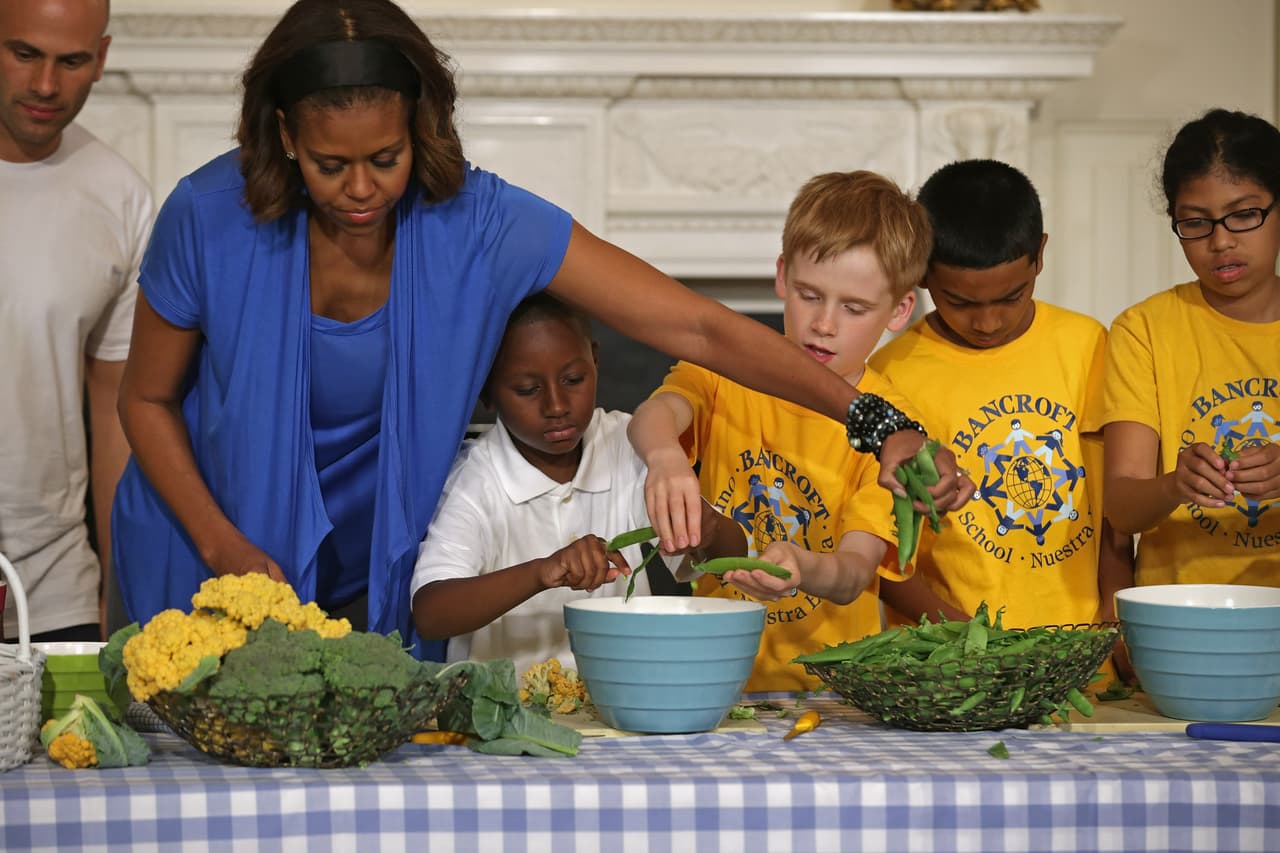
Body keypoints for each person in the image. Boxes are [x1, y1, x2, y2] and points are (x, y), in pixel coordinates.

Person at [110, 0, 967, 657]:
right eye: (331, 165)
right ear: (285, 134)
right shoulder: (209, 214)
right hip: (210, 539)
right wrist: (222, 541)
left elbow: (698, 328)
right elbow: (144, 396)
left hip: (382, 550)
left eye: (387, 157)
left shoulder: (480, 221)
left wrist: (879, 423)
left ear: (421, 127)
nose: (362, 188)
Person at [628, 171, 975, 691]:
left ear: (900, 310)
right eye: (809, 295)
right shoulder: (730, 368)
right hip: (711, 680)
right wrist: (665, 456)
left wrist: (802, 566)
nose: (825, 324)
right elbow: (655, 414)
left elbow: (856, 572)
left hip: (833, 697)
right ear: (781, 276)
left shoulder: (892, 431)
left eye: (854, 308)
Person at [867, 159, 1135, 641]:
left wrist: (1116, 615)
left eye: (1012, 297)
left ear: (1040, 255)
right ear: (921, 272)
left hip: (1084, 655)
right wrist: (972, 640)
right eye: (962, 303)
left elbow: (1112, 507)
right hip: (956, 663)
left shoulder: (1090, 346)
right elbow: (885, 550)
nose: (988, 322)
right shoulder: (889, 378)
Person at [409, 293, 745, 675]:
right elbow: (431, 613)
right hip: (507, 716)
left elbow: (730, 557)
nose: (556, 405)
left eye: (573, 380)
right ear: (486, 391)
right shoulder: (475, 479)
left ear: (596, 362)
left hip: (618, 706)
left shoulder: (625, 444)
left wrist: (707, 529)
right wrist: (541, 572)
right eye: (527, 389)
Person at [0, 0, 153, 642]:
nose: (45, 85)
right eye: (24, 53)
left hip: (55, 593)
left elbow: (116, 408)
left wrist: (114, 598)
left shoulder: (121, 195)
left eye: (72, 61)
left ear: (103, 58)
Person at [1101, 109, 1280, 588]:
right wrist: (1173, 485)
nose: (1220, 242)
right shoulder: (1145, 329)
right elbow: (1121, 506)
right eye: (1196, 223)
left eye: (1244, 215)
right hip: (1183, 614)